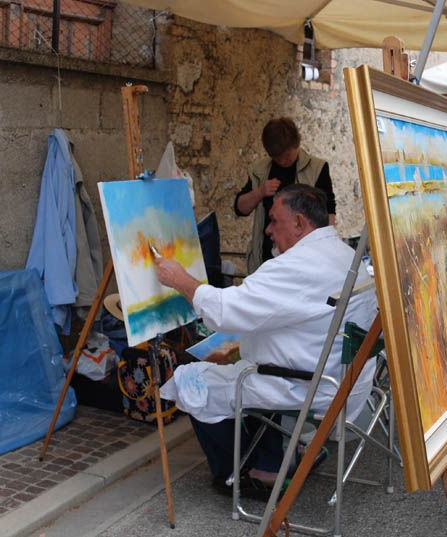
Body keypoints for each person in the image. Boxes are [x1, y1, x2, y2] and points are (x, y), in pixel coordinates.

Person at [156, 184, 377, 496]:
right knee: (247, 363)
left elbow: (224, 311)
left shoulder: (295, 266)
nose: (268, 230)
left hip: (311, 386)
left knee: (191, 380)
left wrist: (180, 280)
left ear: (299, 223)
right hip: (347, 381)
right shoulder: (344, 254)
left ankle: (246, 472)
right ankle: (280, 455)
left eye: (274, 220)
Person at [235, 118, 336, 274]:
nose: (283, 160)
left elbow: (329, 211)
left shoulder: (317, 168)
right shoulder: (259, 170)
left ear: (296, 144)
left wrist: (325, 250)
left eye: (287, 155)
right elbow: (240, 208)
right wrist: (260, 192)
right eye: (277, 157)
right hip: (266, 258)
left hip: (305, 259)